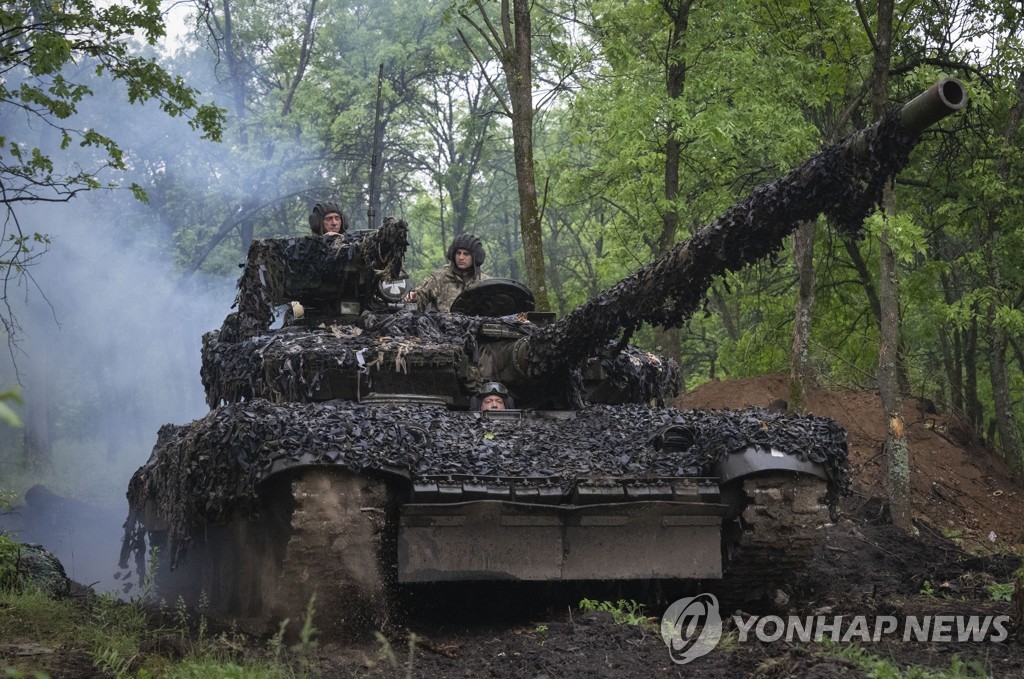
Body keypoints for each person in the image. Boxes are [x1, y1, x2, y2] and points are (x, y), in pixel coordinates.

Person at [404, 233, 490, 312]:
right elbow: (420, 297)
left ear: (475, 257)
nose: (461, 257)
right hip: (441, 327)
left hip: (474, 327)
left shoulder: (485, 283)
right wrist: (413, 298)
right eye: (458, 253)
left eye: (466, 254)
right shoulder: (439, 278)